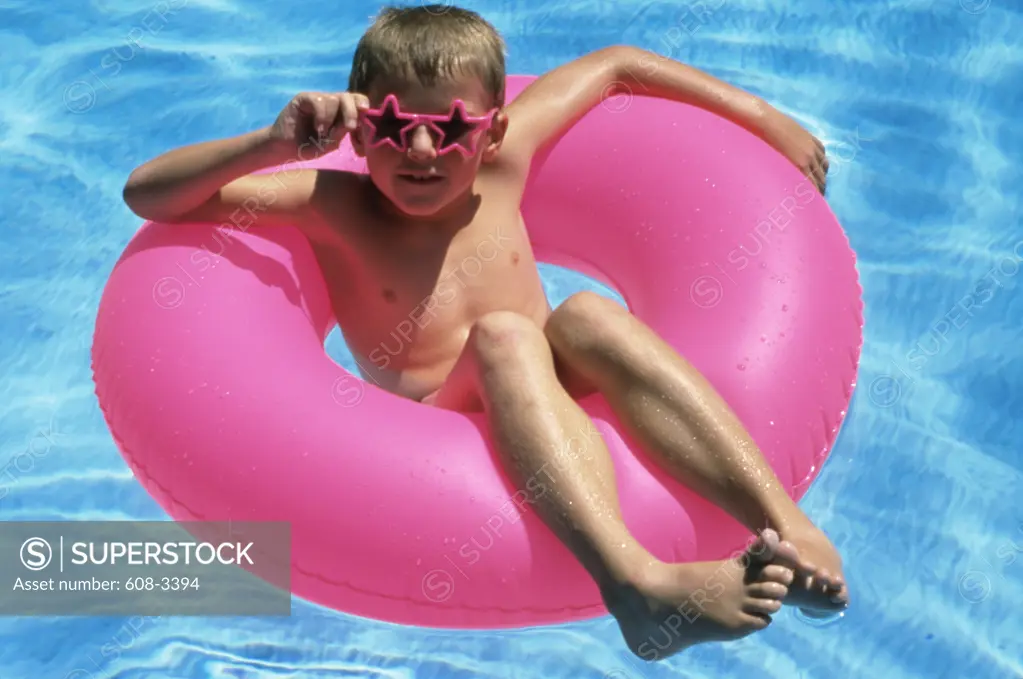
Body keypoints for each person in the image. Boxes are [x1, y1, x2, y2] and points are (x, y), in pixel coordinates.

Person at [122, 4, 847, 660]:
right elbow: (148, 194)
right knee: (506, 334)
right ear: (357, 125)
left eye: (451, 129)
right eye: (391, 126)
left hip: (548, 391)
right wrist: (271, 143)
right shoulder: (331, 202)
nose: (421, 151)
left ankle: (785, 522)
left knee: (588, 314)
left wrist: (763, 118)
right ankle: (635, 583)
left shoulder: (505, 165)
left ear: (492, 128)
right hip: (441, 423)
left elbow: (617, 65)